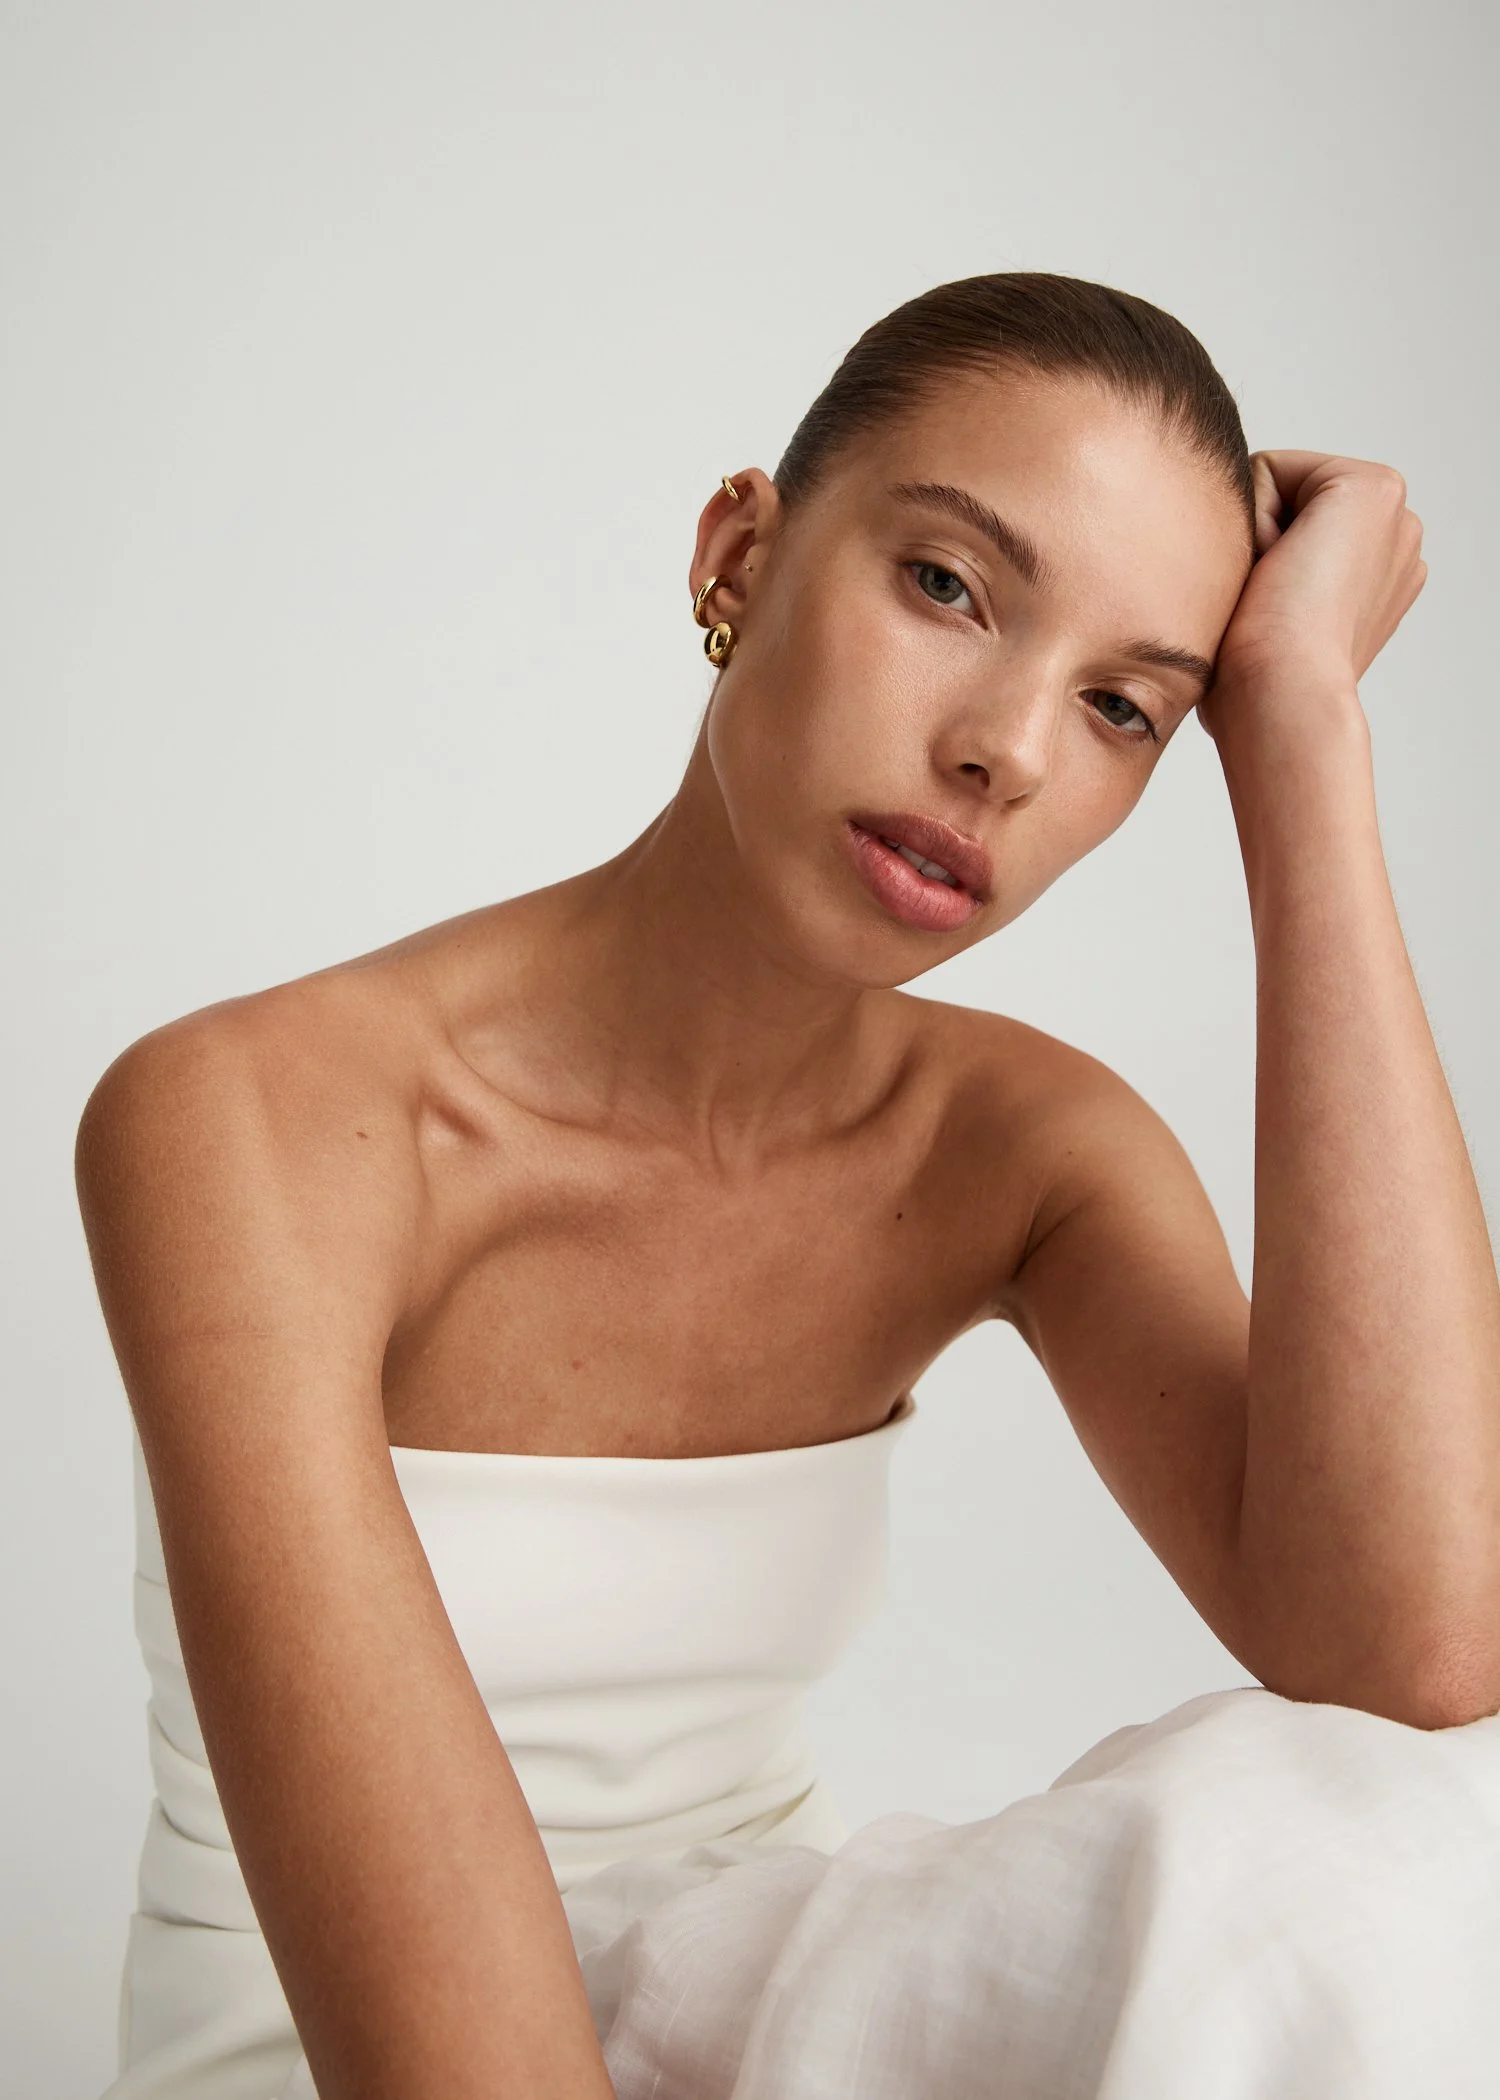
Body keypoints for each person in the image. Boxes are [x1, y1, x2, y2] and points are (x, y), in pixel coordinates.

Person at [75, 273, 1500, 2100]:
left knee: (1368, 1841)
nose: (1008, 747)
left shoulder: (1024, 1150)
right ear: (737, 558)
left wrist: (1302, 737)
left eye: (1131, 708)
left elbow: (1416, 1665)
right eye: (948, 586)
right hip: (340, 2065)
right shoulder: (255, 1121)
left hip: (740, 2011)